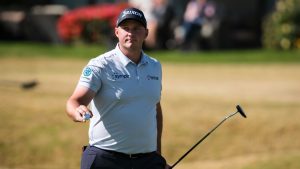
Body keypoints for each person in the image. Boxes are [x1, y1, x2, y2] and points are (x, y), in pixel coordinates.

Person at [66, 7, 169, 169]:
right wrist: (77, 111)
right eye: (126, 28)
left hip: (147, 160)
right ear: (117, 32)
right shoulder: (100, 65)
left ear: (146, 33)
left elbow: (154, 108)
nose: (131, 33)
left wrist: (157, 155)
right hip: (105, 159)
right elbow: (74, 101)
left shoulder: (155, 66)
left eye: (136, 29)